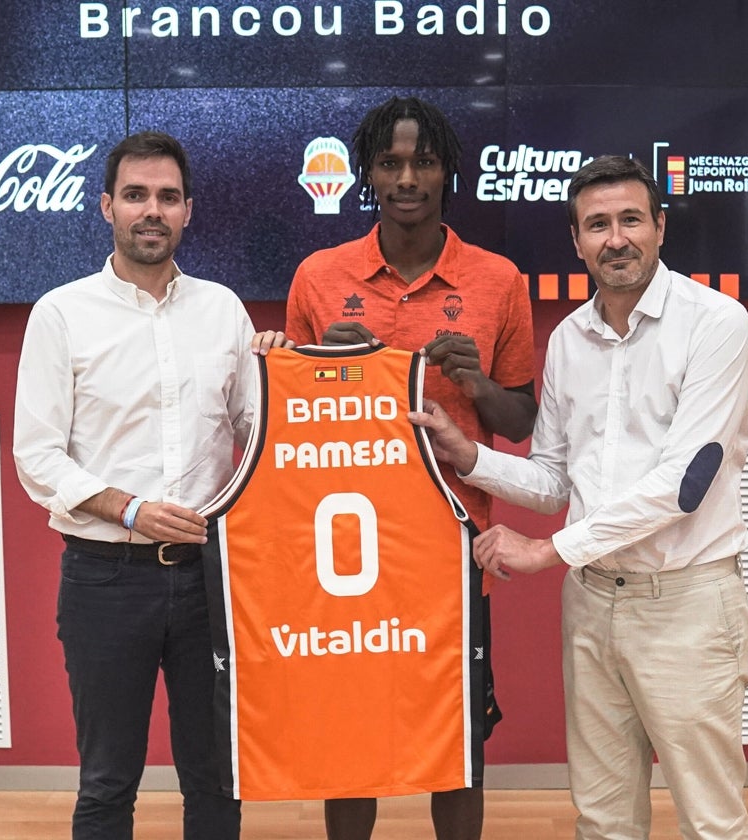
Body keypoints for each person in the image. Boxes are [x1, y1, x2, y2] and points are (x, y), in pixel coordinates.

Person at [411, 155, 748, 840]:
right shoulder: (569, 339)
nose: (616, 238)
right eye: (597, 225)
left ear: (660, 227)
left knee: (711, 821)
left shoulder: (717, 323)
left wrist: (549, 551)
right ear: (577, 242)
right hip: (593, 603)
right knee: (601, 819)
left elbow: (684, 485)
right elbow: (553, 481)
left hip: (685, 604)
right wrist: (468, 455)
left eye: (631, 219)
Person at [257, 96, 538, 840]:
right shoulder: (320, 275)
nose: (407, 176)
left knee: (457, 742)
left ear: (448, 170)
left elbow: (523, 421)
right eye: (390, 162)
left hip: (451, 547)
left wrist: (478, 386)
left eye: (423, 160)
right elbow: (287, 420)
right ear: (367, 173)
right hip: (346, 550)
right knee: (353, 740)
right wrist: (321, 365)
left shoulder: (499, 280)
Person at [13, 130, 252, 840]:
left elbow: (260, 437)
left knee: (215, 781)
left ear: (188, 211)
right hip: (104, 580)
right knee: (108, 782)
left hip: (211, 583)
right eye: (137, 195)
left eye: (168, 197)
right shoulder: (61, 313)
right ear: (106, 207)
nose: (153, 210)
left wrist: (286, 378)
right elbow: (37, 456)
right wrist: (131, 508)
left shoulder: (224, 311)